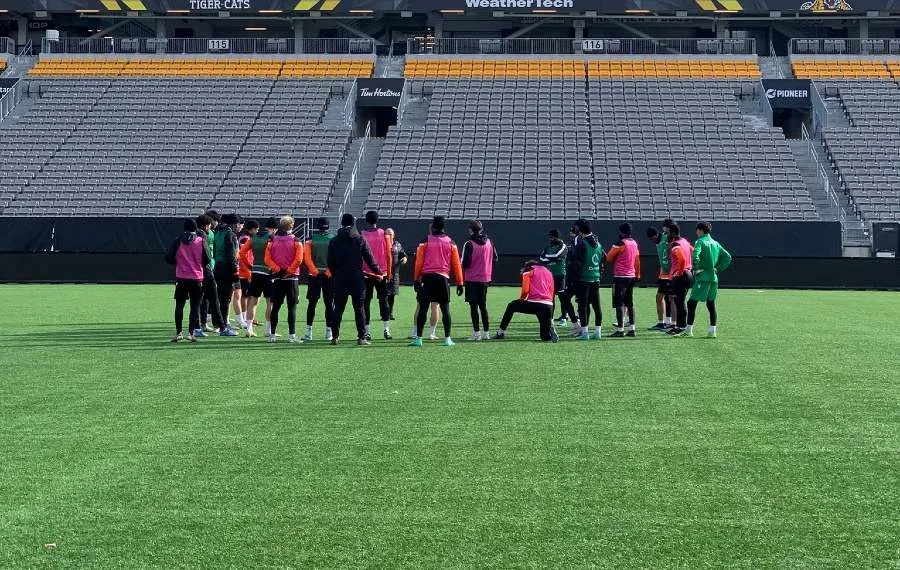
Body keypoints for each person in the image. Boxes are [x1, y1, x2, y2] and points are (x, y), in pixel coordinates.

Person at [328, 213, 382, 346]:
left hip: (340, 278)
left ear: (341, 223)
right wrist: (379, 272)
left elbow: (330, 262)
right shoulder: (360, 239)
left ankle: (335, 336)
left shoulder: (334, 241)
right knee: (359, 309)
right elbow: (370, 260)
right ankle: (361, 337)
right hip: (357, 278)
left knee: (338, 308)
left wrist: (336, 274)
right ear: (353, 224)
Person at [409, 216, 464, 348]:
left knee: (423, 308)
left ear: (433, 226)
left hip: (427, 279)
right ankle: (447, 339)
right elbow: (456, 264)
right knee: (445, 309)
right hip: (443, 279)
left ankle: (419, 339)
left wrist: (416, 279)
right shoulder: (451, 242)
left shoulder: (425, 241)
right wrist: (460, 282)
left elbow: (419, 263)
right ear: (444, 227)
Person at [678, 222, 732, 338]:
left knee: (691, 303)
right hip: (713, 279)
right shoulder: (715, 243)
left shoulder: (700, 242)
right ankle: (712, 331)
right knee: (711, 304)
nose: (696, 232)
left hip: (703, 278)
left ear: (701, 230)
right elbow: (728, 257)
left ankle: (688, 330)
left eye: (697, 230)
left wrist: (696, 268)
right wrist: (718, 269)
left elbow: (695, 255)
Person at [165, 218, 209, 343]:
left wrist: (179, 262)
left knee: (179, 305)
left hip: (181, 277)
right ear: (196, 228)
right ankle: (191, 333)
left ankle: (179, 333)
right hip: (197, 278)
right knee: (195, 307)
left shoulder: (178, 241)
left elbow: (168, 257)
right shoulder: (201, 241)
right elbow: (207, 259)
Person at [494, 260, 559, 343]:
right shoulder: (549, 272)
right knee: (545, 337)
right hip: (548, 305)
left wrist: (521, 300)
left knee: (512, 305)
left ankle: (500, 332)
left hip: (534, 304)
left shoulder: (529, 270)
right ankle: (550, 329)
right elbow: (551, 291)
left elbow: (525, 290)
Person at [264, 216, 304, 343]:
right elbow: (299, 259)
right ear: (291, 226)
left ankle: (272, 335)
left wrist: (278, 270)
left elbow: (267, 259)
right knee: (291, 307)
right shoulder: (296, 241)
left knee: (275, 307)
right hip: (291, 279)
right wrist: (288, 271)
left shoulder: (272, 240)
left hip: (277, 278)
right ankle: (291, 335)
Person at [193, 214, 230, 337]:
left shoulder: (192, 236)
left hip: (195, 272)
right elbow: (206, 256)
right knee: (214, 300)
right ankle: (222, 327)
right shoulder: (203, 236)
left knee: (198, 301)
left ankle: (198, 327)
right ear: (206, 225)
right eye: (209, 225)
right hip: (206, 271)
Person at [461, 220, 498, 341]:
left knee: (473, 307)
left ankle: (476, 334)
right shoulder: (489, 242)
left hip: (472, 279)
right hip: (485, 278)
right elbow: (495, 258)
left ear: (470, 229)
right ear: (481, 229)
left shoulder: (469, 243)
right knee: (483, 306)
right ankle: (486, 333)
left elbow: (465, 263)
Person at [241, 217, 277, 338]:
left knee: (253, 301)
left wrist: (249, 265)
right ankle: (268, 330)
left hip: (255, 272)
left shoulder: (254, 237)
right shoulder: (272, 238)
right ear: (274, 229)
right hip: (268, 273)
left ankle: (249, 329)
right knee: (270, 303)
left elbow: (241, 253)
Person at [360, 210, 393, 340]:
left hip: (366, 273)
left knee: (366, 302)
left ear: (366, 220)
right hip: (382, 273)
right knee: (383, 301)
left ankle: (367, 331)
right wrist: (389, 273)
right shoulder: (384, 234)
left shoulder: (361, 234)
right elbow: (389, 254)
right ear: (377, 220)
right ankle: (386, 330)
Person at [606, 222, 641, 338]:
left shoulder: (620, 243)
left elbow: (609, 258)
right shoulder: (634, 243)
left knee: (619, 303)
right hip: (631, 276)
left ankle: (620, 330)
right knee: (630, 303)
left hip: (620, 276)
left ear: (622, 232)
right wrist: (637, 274)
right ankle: (632, 329)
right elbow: (637, 260)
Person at [571, 219, 604, 341]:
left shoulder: (582, 244)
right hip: (595, 278)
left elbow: (577, 263)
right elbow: (602, 261)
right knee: (597, 306)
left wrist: (575, 279)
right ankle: (598, 332)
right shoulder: (599, 244)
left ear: (580, 230)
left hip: (584, 279)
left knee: (583, 306)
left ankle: (585, 333)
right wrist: (599, 274)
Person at [303, 217, 335, 342]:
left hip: (314, 275)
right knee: (329, 304)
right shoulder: (333, 239)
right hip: (328, 276)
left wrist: (314, 270)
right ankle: (329, 332)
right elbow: (335, 258)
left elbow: (307, 258)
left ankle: (308, 332)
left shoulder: (310, 239)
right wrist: (329, 270)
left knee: (312, 304)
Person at [539, 229, 575, 327]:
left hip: (560, 275)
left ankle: (564, 317)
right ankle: (550, 318)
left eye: (552, 237)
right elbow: (541, 258)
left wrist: (549, 258)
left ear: (556, 237)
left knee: (562, 297)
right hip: (550, 275)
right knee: (550, 298)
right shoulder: (548, 247)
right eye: (549, 237)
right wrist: (552, 259)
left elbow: (558, 255)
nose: (550, 239)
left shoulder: (563, 246)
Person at [212, 213, 241, 332]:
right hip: (227, 268)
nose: (238, 226)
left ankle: (217, 323)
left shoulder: (217, 232)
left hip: (218, 266)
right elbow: (231, 254)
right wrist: (235, 270)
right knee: (226, 298)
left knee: (219, 297)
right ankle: (223, 325)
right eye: (237, 223)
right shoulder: (230, 234)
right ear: (233, 224)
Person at [667, 224, 693, 336]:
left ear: (672, 233)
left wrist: (679, 272)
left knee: (679, 301)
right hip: (688, 273)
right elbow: (692, 250)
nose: (667, 235)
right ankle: (679, 325)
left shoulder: (676, 244)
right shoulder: (685, 241)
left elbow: (681, 258)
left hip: (682, 275)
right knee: (679, 301)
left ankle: (681, 326)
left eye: (668, 232)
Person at [646, 226, 673, 331]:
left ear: (656, 235)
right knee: (665, 298)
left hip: (670, 274)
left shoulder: (666, 238)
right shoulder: (659, 240)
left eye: (653, 238)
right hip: (664, 274)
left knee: (666, 298)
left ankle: (669, 323)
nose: (653, 241)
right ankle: (666, 322)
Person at [385, 228, 407, 321]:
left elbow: (403, 255)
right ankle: (384, 313)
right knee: (384, 295)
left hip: (395, 274)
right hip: (384, 273)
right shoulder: (382, 244)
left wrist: (404, 259)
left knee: (392, 295)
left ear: (394, 235)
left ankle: (390, 313)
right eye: (387, 234)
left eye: (391, 234)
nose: (389, 235)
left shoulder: (397, 244)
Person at [234, 220, 252, 329]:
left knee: (249, 296)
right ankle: (244, 318)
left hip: (247, 271)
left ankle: (247, 318)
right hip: (244, 272)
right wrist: (248, 272)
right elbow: (242, 256)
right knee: (243, 296)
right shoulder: (245, 239)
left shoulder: (246, 238)